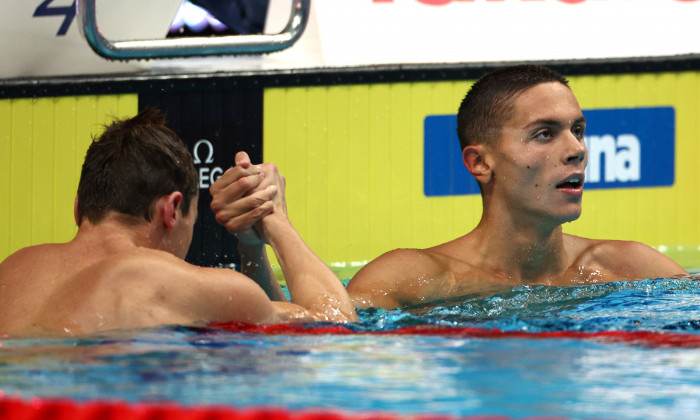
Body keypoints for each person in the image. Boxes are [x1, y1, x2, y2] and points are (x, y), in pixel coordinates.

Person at [215, 64, 688, 310]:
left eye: (578, 130)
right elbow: (314, 330)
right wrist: (256, 249)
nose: (576, 150)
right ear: (479, 162)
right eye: (544, 134)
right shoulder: (414, 278)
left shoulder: (631, 267)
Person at [0, 108, 357, 336]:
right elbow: (335, 324)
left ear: (79, 210)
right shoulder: (163, 279)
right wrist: (275, 217)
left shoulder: (13, 268)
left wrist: (251, 248)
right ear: (172, 210)